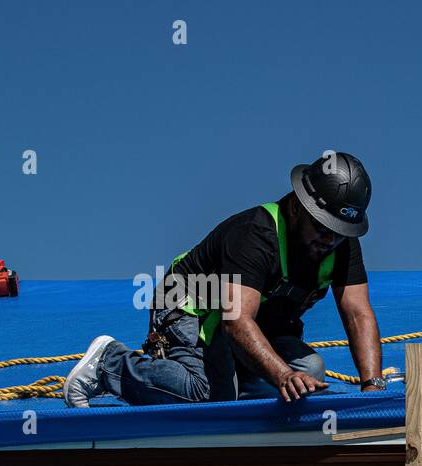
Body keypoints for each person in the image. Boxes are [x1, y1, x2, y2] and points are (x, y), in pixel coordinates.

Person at [63, 152, 390, 407]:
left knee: (311, 372)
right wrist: (282, 374)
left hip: (251, 321)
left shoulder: (340, 244)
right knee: (207, 396)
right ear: (296, 208)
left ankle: (230, 379)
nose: (329, 240)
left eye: (338, 233)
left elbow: (357, 313)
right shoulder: (256, 235)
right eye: (322, 228)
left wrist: (372, 386)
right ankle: (111, 363)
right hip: (191, 306)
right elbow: (237, 321)